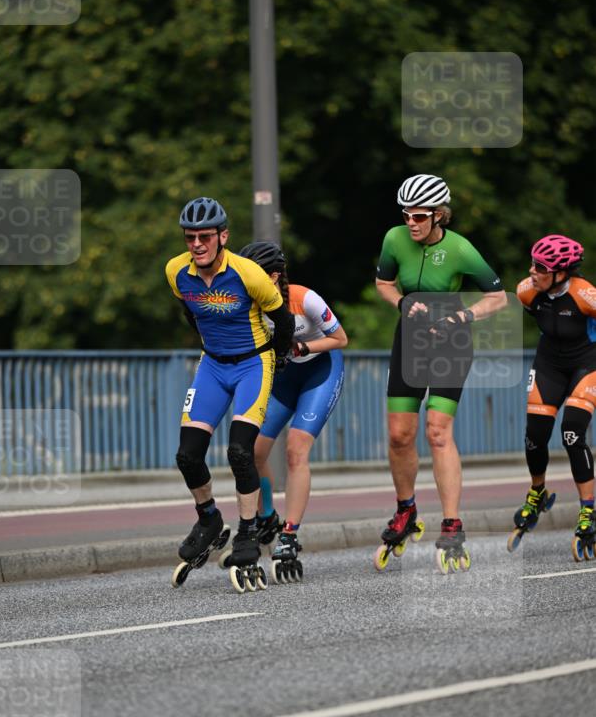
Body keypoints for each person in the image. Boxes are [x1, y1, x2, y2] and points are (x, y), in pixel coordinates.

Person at [374, 173, 508, 572]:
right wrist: (400, 304)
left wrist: (463, 316)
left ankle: (452, 524)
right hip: (410, 341)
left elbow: (498, 298)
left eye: (418, 216)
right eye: (406, 215)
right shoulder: (394, 239)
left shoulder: (461, 249)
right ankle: (406, 510)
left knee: (436, 431)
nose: (410, 222)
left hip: (451, 341)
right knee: (399, 435)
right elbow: (383, 283)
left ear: (438, 215)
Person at [165, 197, 295, 590]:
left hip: (253, 364)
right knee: (187, 455)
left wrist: (279, 358)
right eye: (191, 238)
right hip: (212, 365)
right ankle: (209, 519)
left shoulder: (248, 273)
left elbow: (283, 320)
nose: (197, 244)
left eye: (205, 236)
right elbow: (190, 311)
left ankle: (248, 531)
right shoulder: (175, 272)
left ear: (223, 236)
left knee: (240, 451)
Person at [236, 241, 348, 582]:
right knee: (253, 451)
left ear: (273, 276)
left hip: (319, 371)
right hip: (284, 379)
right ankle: (267, 516)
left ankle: (289, 535)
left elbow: (341, 338)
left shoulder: (304, 298)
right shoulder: (251, 305)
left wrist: (302, 346)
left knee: (296, 451)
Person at [511, 234, 596, 560]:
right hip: (549, 364)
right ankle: (537, 493)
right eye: (532, 262)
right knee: (535, 436)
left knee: (572, 433)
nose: (532, 271)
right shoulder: (527, 292)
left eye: (541, 267)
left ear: (562, 272)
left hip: (586, 364)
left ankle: (587, 511)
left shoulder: (585, 295)